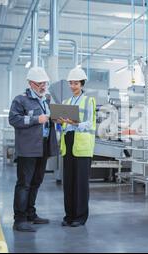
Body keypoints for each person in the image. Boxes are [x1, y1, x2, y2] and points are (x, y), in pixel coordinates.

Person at [8, 67, 59, 232]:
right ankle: (19, 219)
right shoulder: (20, 100)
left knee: (36, 182)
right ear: (31, 83)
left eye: (45, 83)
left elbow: (50, 119)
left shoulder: (47, 99)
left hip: (43, 146)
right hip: (28, 149)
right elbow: (14, 119)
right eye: (39, 83)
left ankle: (31, 213)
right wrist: (37, 119)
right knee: (24, 184)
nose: (43, 86)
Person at [56, 67, 96, 227]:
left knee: (80, 183)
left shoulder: (88, 100)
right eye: (71, 83)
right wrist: (59, 122)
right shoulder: (66, 102)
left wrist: (76, 123)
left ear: (82, 84)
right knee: (69, 182)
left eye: (76, 83)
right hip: (68, 143)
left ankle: (80, 217)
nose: (73, 86)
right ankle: (69, 216)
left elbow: (90, 123)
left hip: (82, 145)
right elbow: (63, 125)